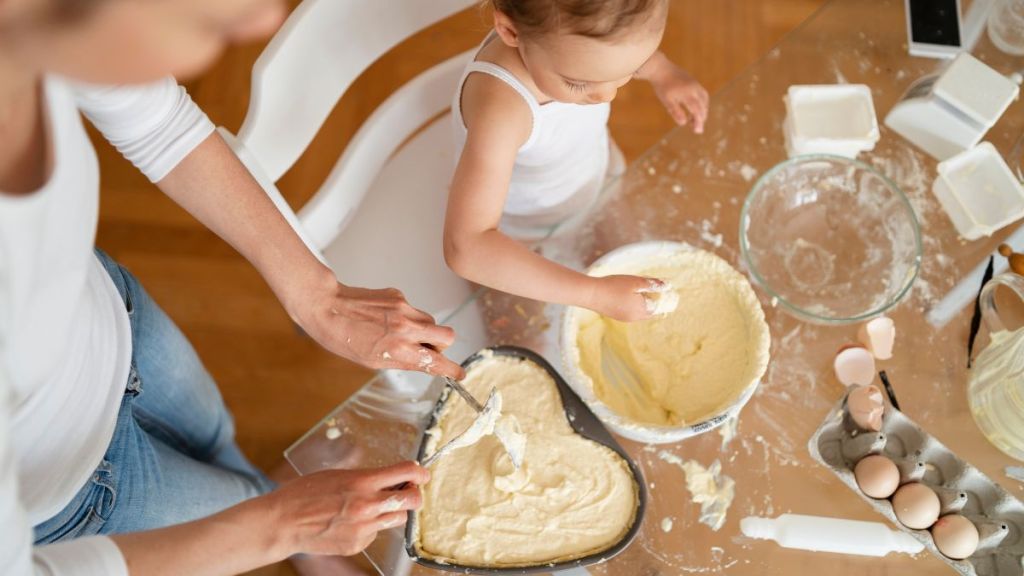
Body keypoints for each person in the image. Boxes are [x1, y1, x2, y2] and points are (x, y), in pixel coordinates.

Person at [0, 0, 464, 574]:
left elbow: (158, 122)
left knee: (218, 436)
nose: (262, 23)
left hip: (112, 320)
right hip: (71, 499)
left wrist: (318, 294)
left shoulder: (32, 36)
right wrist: (281, 525)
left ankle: (269, 489)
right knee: (244, 503)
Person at [444, 0, 709, 322]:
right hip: (520, 230)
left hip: (594, 182)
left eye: (628, 71)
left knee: (635, 267)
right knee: (516, 321)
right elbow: (467, 247)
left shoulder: (579, 52)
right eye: (578, 83)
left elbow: (615, 55)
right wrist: (594, 294)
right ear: (511, 31)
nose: (607, 95)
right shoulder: (502, 110)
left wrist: (663, 72)